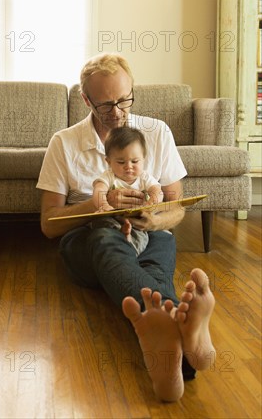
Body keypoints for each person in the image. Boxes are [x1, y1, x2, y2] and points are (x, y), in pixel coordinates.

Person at [37, 53, 216, 401]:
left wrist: (153, 219)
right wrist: (99, 206)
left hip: (150, 234)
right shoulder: (64, 142)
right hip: (88, 242)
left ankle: (174, 356)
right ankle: (176, 319)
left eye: (124, 100)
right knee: (106, 237)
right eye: (106, 105)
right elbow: (48, 224)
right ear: (86, 100)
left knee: (161, 240)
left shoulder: (157, 132)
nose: (118, 113)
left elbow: (176, 207)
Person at [92, 126, 163, 255]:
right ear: (108, 161)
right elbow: (98, 190)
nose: (128, 167)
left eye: (135, 161)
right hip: (113, 217)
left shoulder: (144, 177)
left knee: (143, 235)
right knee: (101, 224)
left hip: (136, 220)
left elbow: (157, 190)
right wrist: (103, 205)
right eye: (120, 162)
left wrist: (152, 202)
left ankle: (129, 244)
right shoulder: (109, 176)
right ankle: (118, 241)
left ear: (143, 159)